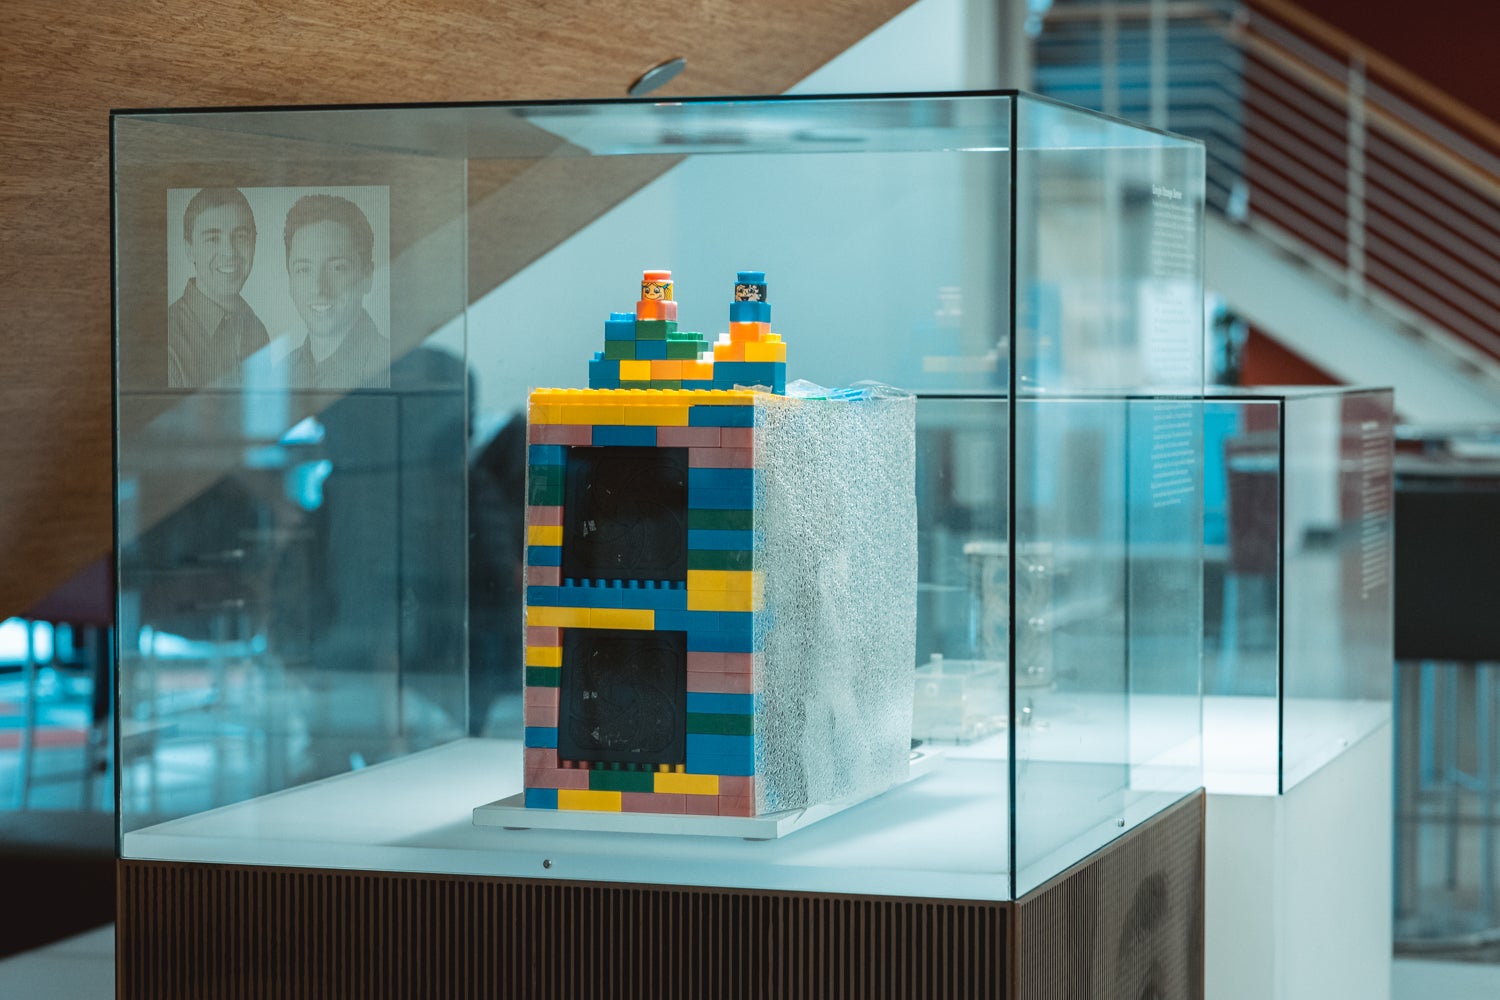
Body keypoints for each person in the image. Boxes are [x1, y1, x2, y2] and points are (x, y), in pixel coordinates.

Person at [278, 194, 389, 389]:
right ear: (290, 281)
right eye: (304, 269)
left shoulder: (393, 366)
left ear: (367, 276)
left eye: (337, 268)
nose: (319, 288)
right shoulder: (279, 375)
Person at [167, 187, 268, 387]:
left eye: (240, 237)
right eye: (213, 238)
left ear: (254, 244)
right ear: (190, 250)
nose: (229, 252)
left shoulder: (257, 331)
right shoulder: (167, 342)